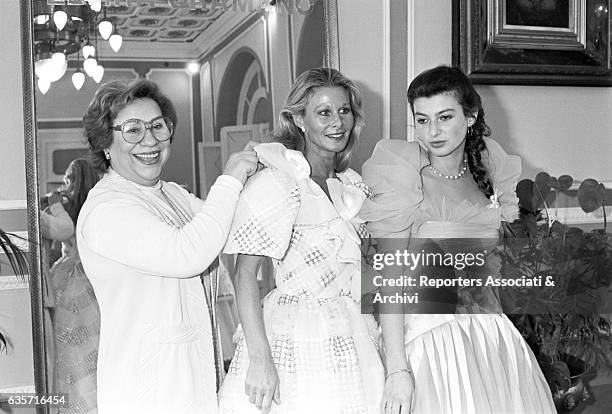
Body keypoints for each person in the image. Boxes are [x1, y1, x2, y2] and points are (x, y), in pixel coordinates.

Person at [360, 65, 556, 414]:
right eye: (421, 120)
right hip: (431, 339)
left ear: (470, 116)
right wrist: (397, 368)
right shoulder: (403, 175)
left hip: (490, 337)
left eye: (444, 117)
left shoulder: (490, 169)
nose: (432, 131)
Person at [76, 79, 258, 413]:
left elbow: (233, 227)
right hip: (147, 386)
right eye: (132, 129)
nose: (150, 139)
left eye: (158, 126)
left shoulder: (171, 193)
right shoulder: (106, 209)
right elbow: (187, 254)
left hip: (191, 372)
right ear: (105, 142)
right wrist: (230, 178)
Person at [218, 67, 384, 414]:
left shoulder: (353, 186)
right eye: (323, 112)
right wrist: (261, 359)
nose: (337, 122)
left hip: (355, 335)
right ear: (299, 120)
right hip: (293, 337)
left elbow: (367, 272)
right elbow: (244, 274)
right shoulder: (280, 182)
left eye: (344, 111)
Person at [49, 158, 100, 414]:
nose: (64, 184)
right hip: (92, 281)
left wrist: (53, 204)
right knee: (90, 347)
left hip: (72, 280)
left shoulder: (65, 209)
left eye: (68, 179)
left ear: (77, 181)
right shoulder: (95, 208)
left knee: (69, 345)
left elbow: (58, 232)